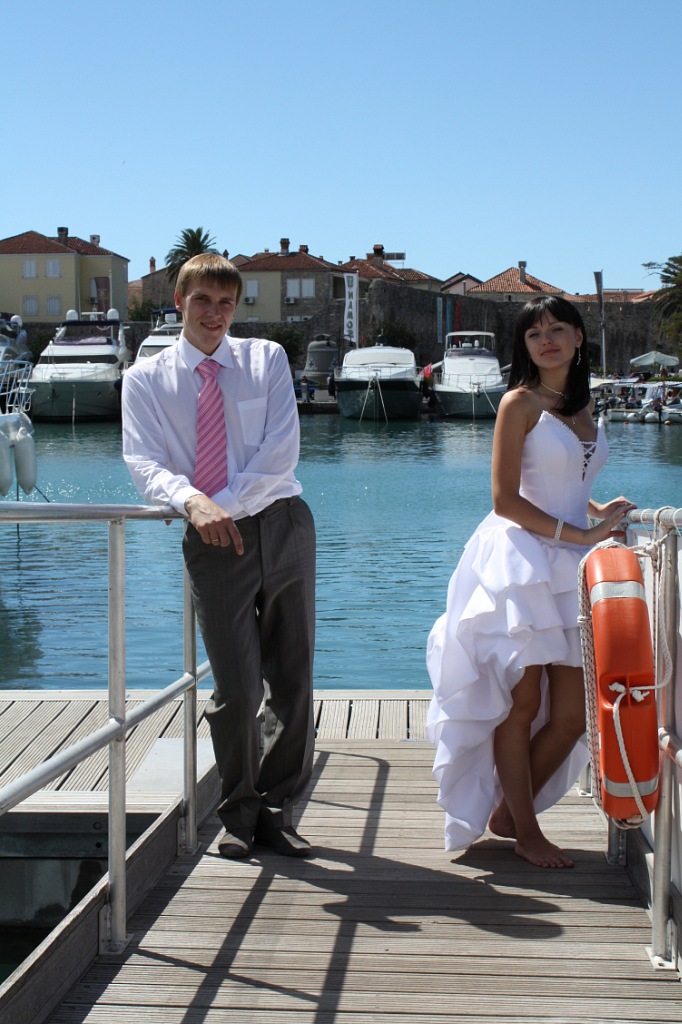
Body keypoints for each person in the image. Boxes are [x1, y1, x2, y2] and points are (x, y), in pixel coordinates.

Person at [426, 295, 635, 869]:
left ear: (578, 337)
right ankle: (526, 830)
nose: (547, 340)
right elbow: (506, 498)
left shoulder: (583, 402)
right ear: (524, 345)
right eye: (534, 333)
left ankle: (506, 815)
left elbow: (561, 475)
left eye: (557, 329)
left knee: (572, 715)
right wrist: (584, 533)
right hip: (520, 560)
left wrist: (596, 508)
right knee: (520, 705)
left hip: (570, 564)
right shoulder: (518, 402)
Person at [122, 253, 316, 860]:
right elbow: (143, 461)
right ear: (179, 302)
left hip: (282, 524)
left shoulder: (266, 359)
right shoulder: (145, 380)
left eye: (225, 303)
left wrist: (219, 504)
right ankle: (238, 813)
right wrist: (190, 501)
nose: (214, 313)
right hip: (210, 541)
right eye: (202, 300)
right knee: (236, 687)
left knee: (292, 678)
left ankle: (279, 813)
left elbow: (280, 453)